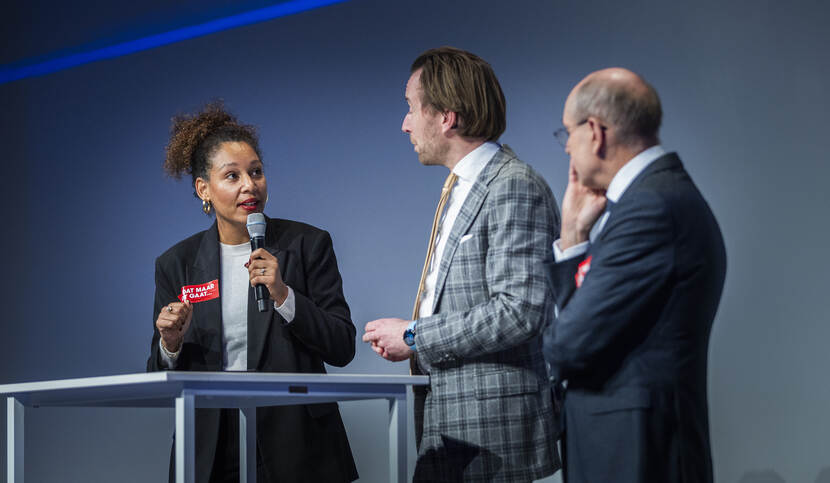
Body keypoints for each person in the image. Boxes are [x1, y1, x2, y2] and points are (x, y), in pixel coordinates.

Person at [362, 46, 561, 482]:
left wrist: (414, 334)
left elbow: (520, 311)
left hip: (495, 436)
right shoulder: (459, 188)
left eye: (411, 108)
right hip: (449, 427)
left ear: (446, 117)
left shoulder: (514, 185)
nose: (405, 123)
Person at [146, 102, 358, 483]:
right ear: (203, 190)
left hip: (298, 444)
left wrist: (284, 296)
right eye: (232, 176)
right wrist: (170, 344)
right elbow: (159, 373)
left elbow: (342, 346)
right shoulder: (176, 263)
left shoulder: (307, 245)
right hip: (212, 447)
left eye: (256, 172)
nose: (250, 185)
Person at [542, 68, 727, 483]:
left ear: (595, 131)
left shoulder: (650, 209)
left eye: (566, 133)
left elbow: (568, 345)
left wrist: (571, 247)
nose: (567, 147)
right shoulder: (655, 199)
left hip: (637, 455)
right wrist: (572, 239)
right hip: (631, 447)